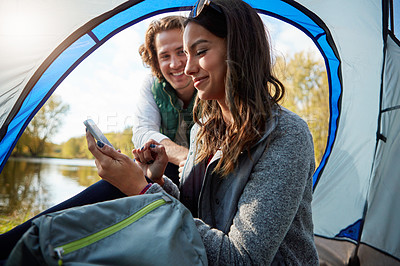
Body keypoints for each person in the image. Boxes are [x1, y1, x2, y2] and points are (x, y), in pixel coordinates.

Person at [0, 0, 319, 264]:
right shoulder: (204, 131)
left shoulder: (286, 136)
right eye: (185, 53)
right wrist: (155, 180)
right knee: (93, 213)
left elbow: (241, 259)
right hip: (196, 257)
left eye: (200, 51)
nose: (188, 67)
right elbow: (195, 211)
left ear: (239, 50)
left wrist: (141, 189)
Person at [133, 15, 197, 185]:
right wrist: (186, 157)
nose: (175, 64)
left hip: (209, 172)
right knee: (130, 173)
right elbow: (142, 132)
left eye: (181, 51)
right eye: (165, 56)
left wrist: (195, 163)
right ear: (156, 60)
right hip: (167, 166)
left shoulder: (209, 80)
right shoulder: (152, 84)